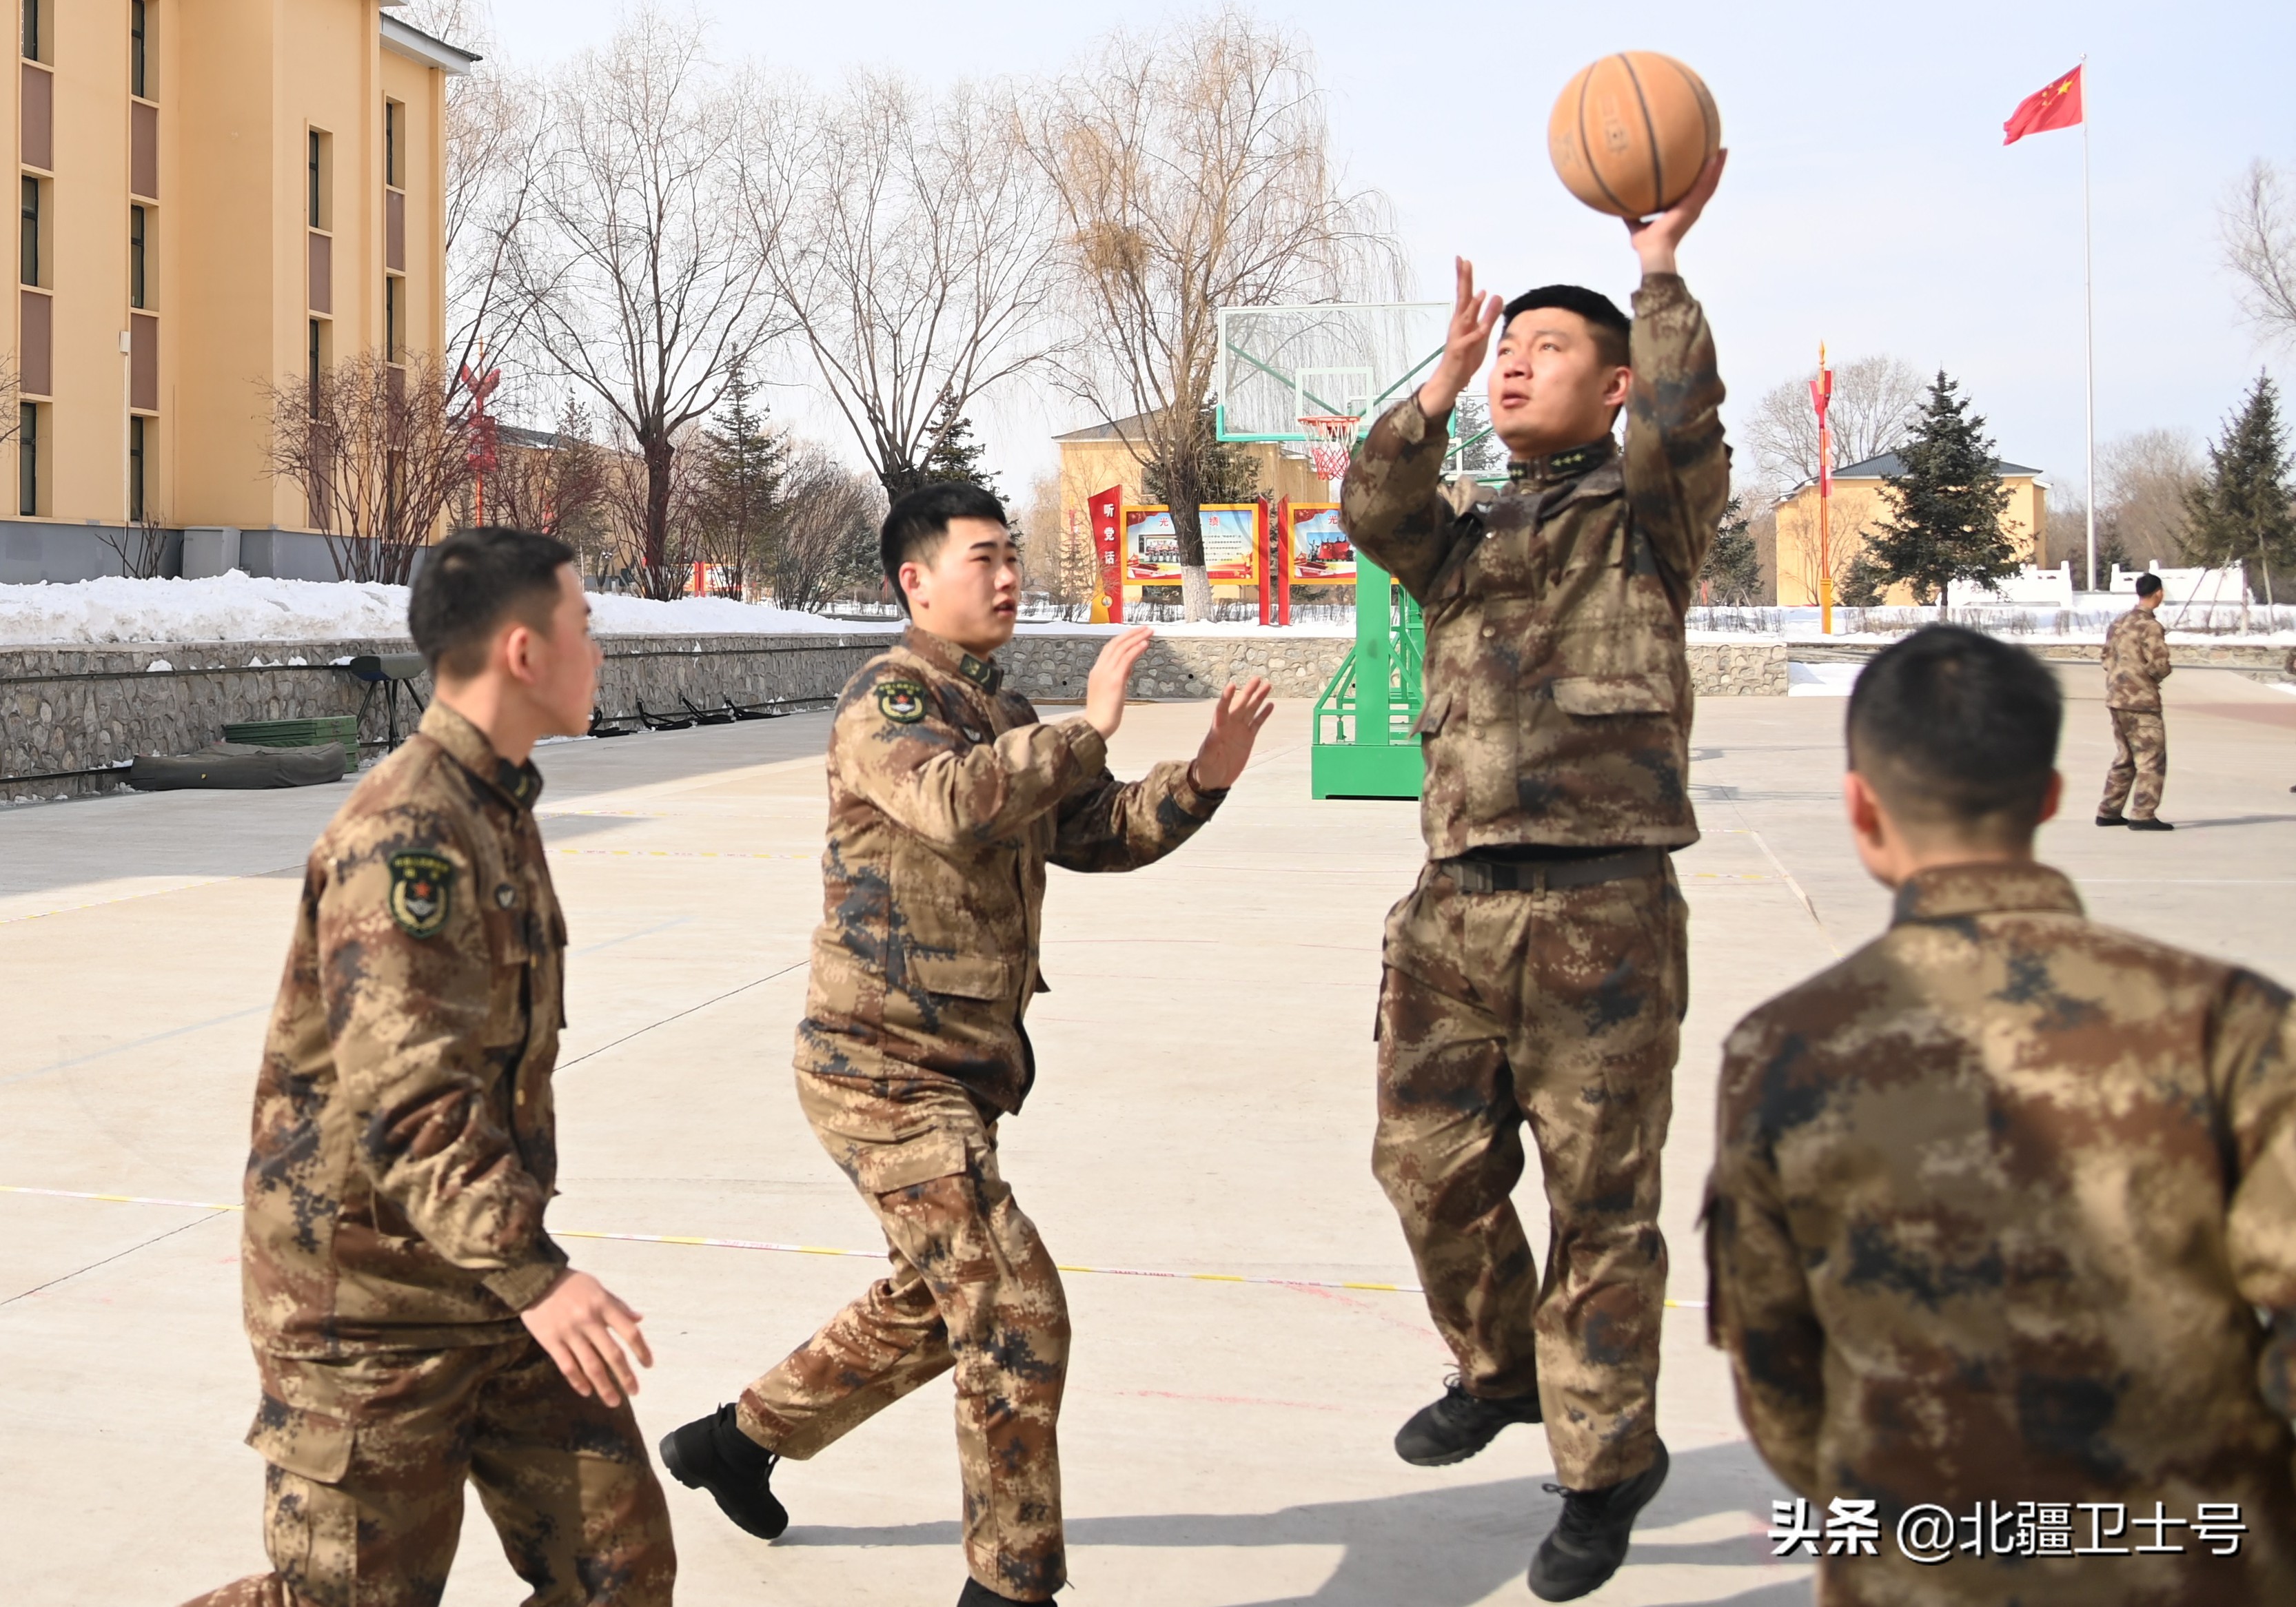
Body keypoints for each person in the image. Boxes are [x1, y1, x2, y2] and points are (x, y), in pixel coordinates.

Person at [658, 482, 1274, 1607]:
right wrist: (1085, 728)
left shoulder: (1000, 709)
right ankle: (1009, 1585)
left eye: (1008, 558)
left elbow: (1092, 833)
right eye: (982, 557)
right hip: (875, 1063)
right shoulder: (885, 703)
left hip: (960, 1067)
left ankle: (735, 1443)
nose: (1006, 576)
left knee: (933, 1302)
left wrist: (1202, 779)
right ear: (915, 581)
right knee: (1013, 1305)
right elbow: (949, 805)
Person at [1704, 624, 2296, 1606]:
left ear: (1860, 807)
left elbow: (1776, 1371)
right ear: (2051, 797)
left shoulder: (1785, 1046)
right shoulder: (2227, 1023)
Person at [1340, 150, 1729, 1601]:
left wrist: (1660, 271)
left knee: (1598, 1200)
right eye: (1508, 349)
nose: (1515, 368)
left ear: (1615, 383)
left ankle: (1605, 1457)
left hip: (1601, 907)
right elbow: (1373, 509)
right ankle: (1503, 1366)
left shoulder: (1650, 520)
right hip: (1454, 901)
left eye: (1544, 350)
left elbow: (1689, 421)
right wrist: (1434, 386)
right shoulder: (1463, 536)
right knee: (1425, 1168)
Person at [182, 528, 675, 1607]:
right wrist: (538, 1277)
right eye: (583, 626)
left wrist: (515, 1268)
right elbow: (410, 1101)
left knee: (619, 1569)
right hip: (363, 1301)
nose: (600, 651)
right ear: (522, 652)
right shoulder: (407, 836)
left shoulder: (497, 804)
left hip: (481, 1272)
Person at [2097, 570, 2173, 830]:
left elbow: (2106, 658)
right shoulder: (2151, 626)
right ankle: (2143, 813)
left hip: (2116, 699)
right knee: (2151, 758)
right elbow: (2159, 665)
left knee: (2125, 756)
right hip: (2142, 702)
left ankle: (2109, 810)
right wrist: (2151, 676)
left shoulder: (2119, 623)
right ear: (2159, 593)